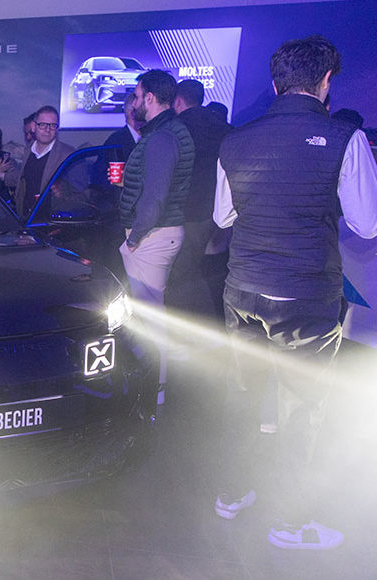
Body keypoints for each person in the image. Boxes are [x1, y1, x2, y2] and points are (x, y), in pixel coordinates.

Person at [212, 35, 377, 550]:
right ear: (326, 81)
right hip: (305, 294)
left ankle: (231, 493)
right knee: (302, 405)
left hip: (242, 290)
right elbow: (367, 224)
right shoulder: (345, 138)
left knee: (242, 393)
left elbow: (223, 217)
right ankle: (289, 523)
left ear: (275, 82)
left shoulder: (236, 140)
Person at [116, 70, 194, 402]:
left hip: (153, 235)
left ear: (149, 97)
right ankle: (154, 389)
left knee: (150, 319)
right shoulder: (167, 132)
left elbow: (156, 197)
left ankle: (154, 394)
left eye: (136, 95)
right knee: (150, 315)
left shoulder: (162, 137)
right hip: (158, 232)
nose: (134, 102)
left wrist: (135, 238)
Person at [166, 79, 233, 324]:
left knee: (182, 275)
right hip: (220, 212)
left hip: (189, 213)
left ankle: (185, 327)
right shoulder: (224, 127)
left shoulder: (175, 129)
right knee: (212, 270)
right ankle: (214, 323)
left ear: (178, 101)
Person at [14, 106, 76, 219]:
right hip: (26, 219)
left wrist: (64, 192)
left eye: (52, 125)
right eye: (42, 125)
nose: (48, 130)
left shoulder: (69, 155)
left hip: (53, 222)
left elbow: (81, 195)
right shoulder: (27, 151)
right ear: (33, 127)